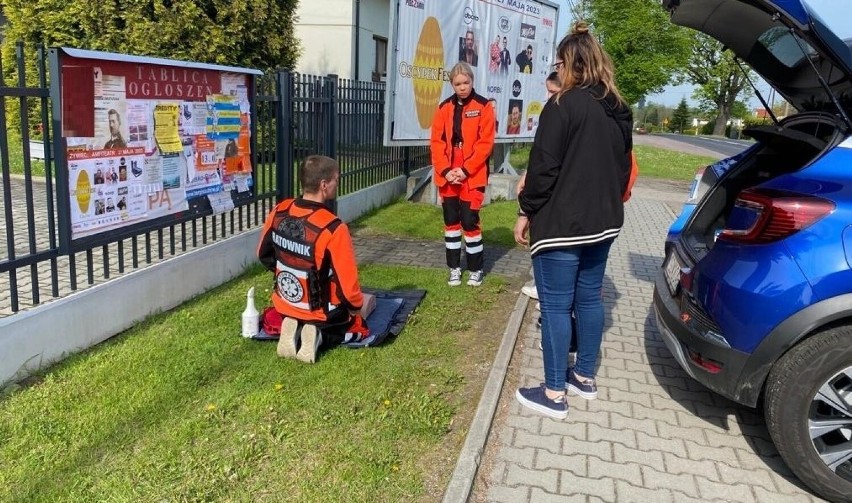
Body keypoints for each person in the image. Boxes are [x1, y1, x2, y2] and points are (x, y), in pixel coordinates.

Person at [514, 21, 633, 419]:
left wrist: (526, 211)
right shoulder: (618, 107)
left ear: (571, 64)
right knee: (589, 299)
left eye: (559, 63)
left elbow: (543, 167)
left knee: (556, 305)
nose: (557, 71)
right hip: (605, 223)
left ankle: (553, 393)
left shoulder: (562, 104)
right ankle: (583, 378)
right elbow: (622, 169)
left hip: (564, 225)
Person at [257, 155, 369, 363]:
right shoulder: (333, 228)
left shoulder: (279, 211)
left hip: (285, 302)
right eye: (337, 179)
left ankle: (293, 325)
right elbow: (347, 286)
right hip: (320, 312)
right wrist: (356, 306)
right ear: (324, 185)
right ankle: (318, 335)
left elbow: (263, 255)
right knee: (357, 327)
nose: (338, 183)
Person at [430, 62, 495, 287]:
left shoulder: (484, 106)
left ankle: (475, 269)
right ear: (452, 85)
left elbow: (485, 143)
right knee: (451, 222)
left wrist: (465, 170)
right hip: (448, 174)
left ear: (472, 81)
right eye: (457, 84)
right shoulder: (443, 108)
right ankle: (454, 269)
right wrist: (446, 171)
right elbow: (436, 143)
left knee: (469, 221)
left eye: (466, 82)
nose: (462, 87)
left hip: (472, 174)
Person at [519, 71, 562, 300]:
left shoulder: (557, 113)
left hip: (557, 214)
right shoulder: (611, 110)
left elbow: (545, 164)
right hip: (600, 223)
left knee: (556, 299)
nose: (548, 97)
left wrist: (525, 211)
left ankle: (543, 291)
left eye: (553, 91)